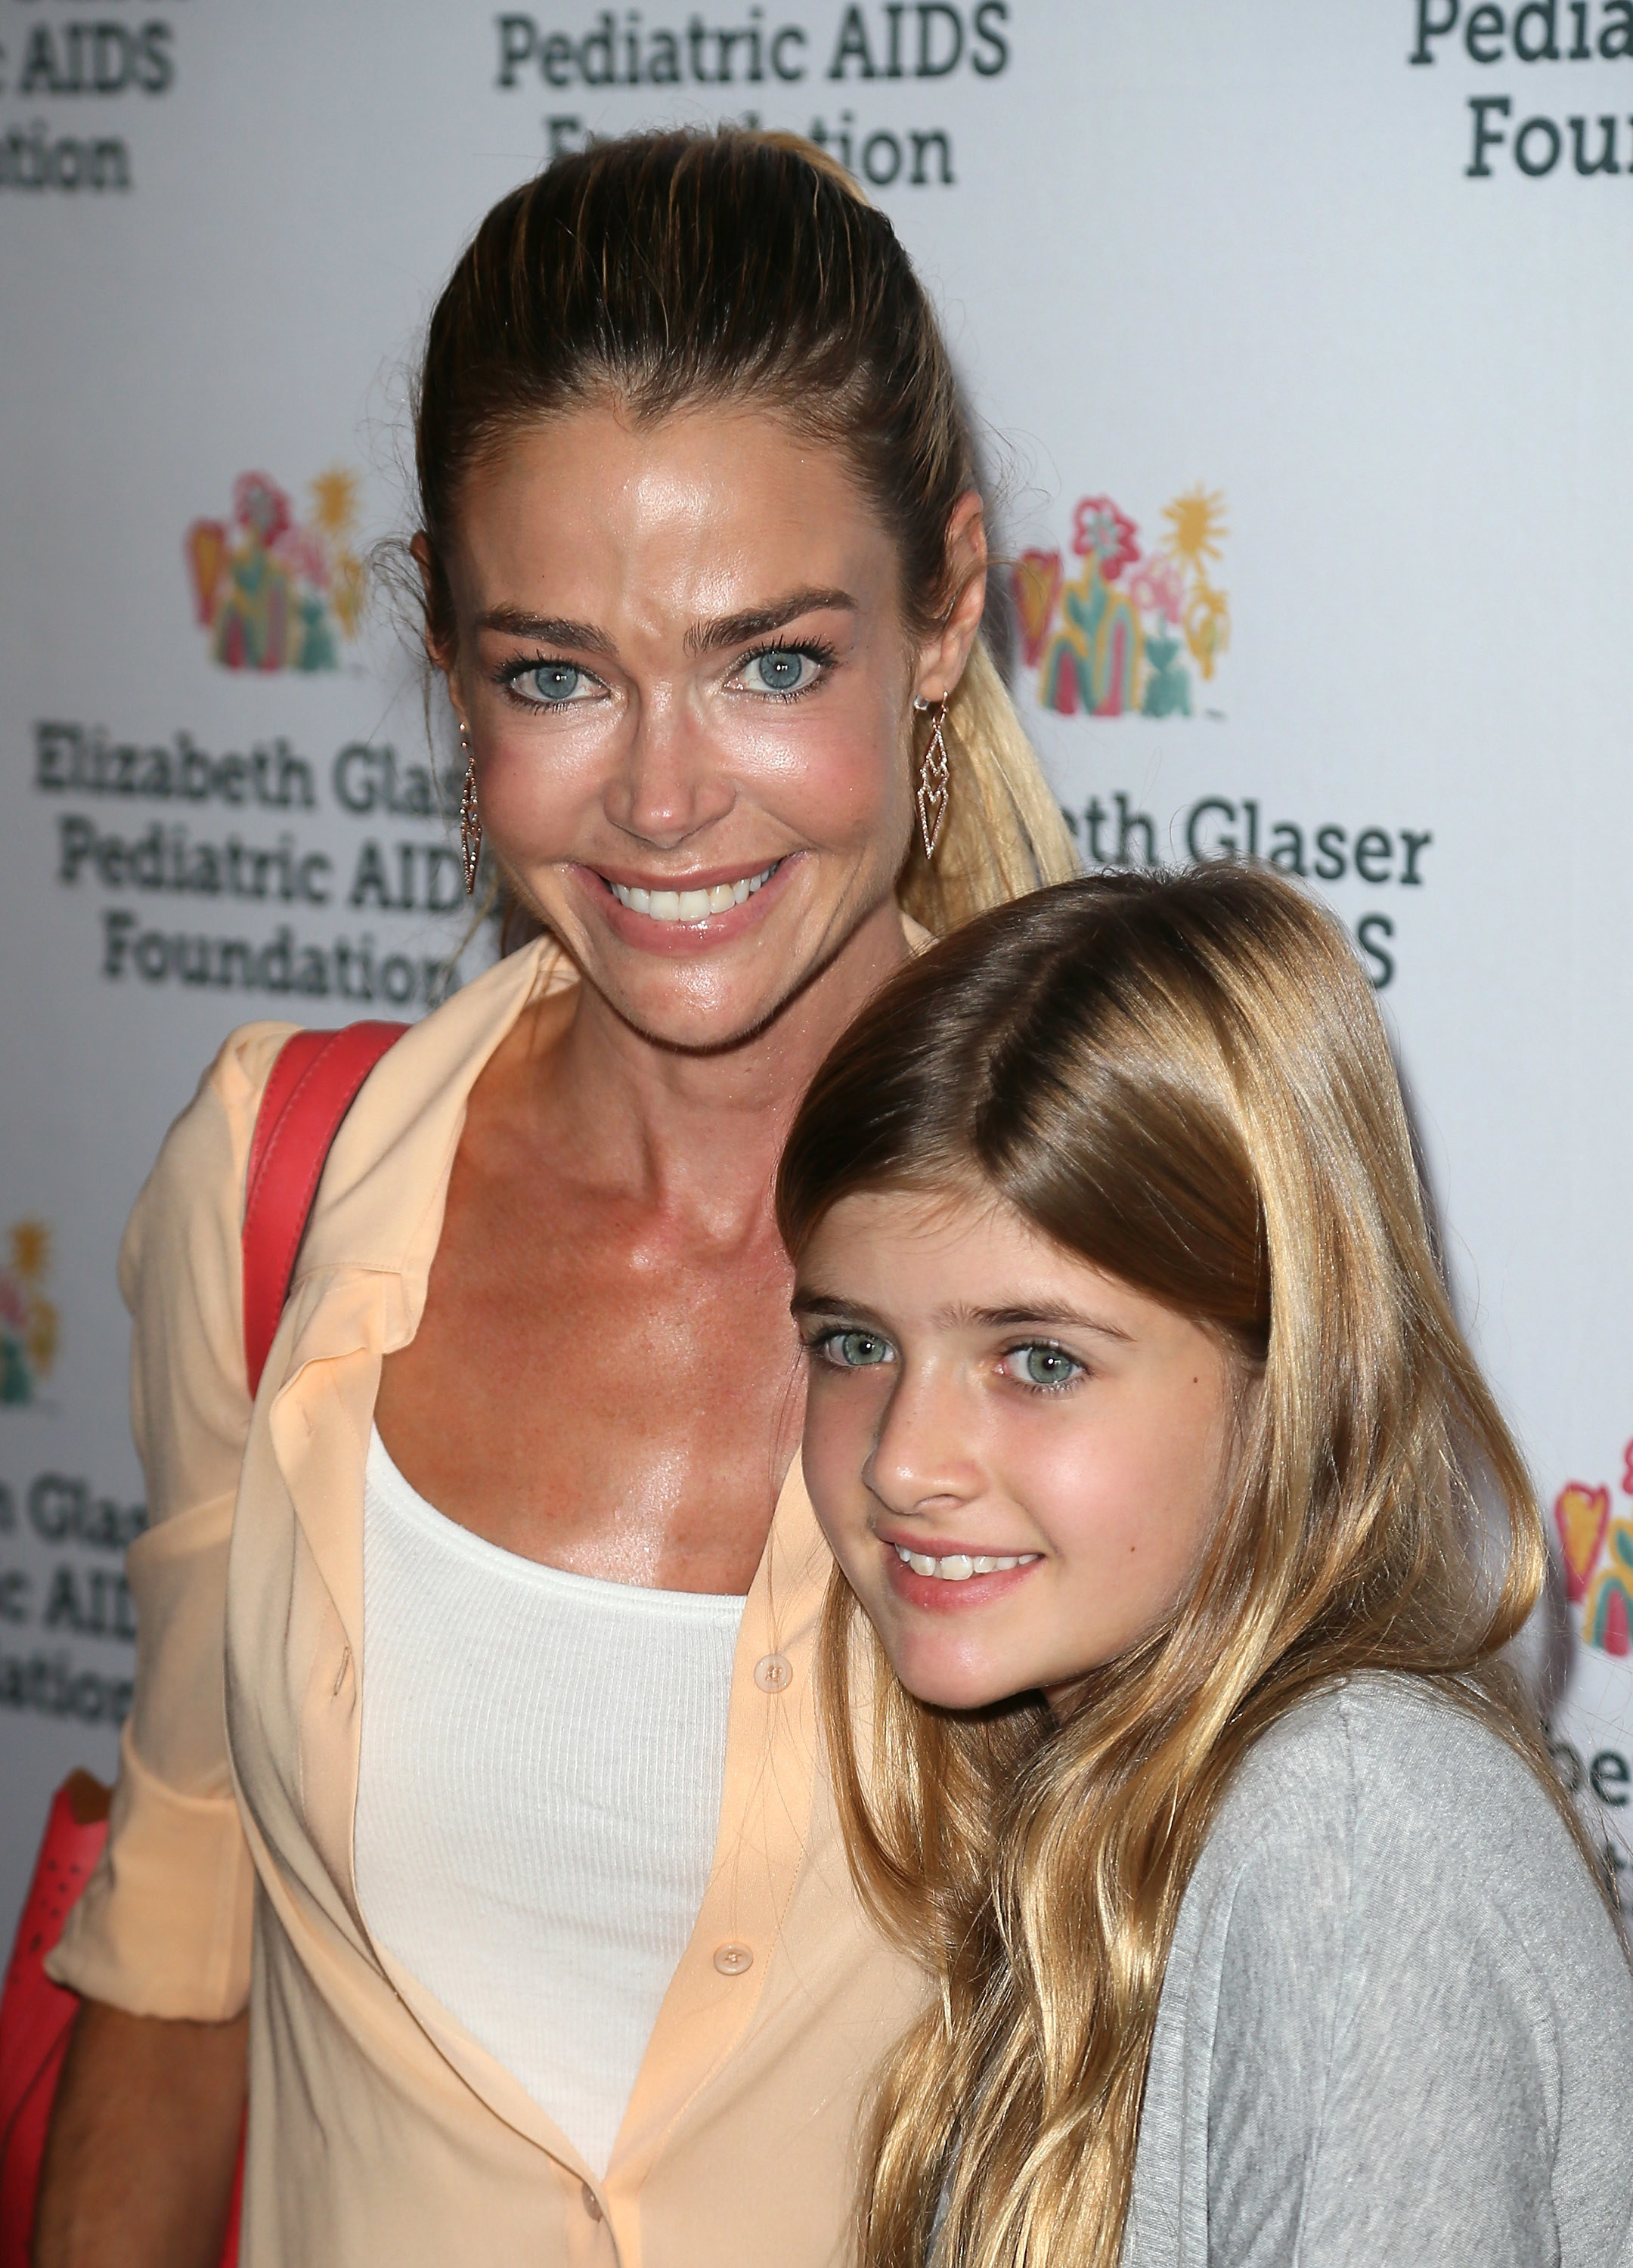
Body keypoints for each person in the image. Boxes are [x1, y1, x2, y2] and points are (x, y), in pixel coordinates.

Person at [35, 129, 1077, 2268]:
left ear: (947, 607)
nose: (666, 793)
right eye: (558, 675)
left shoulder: (1142, 1257)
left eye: (770, 659)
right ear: (445, 648)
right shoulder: (285, 1188)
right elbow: (180, 1928)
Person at [777, 863, 1633, 2268]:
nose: (901, 1461)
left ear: (1289, 1369)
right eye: (854, 1344)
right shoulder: (1107, 1788)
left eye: (1040, 1360)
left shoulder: (1351, 1836)